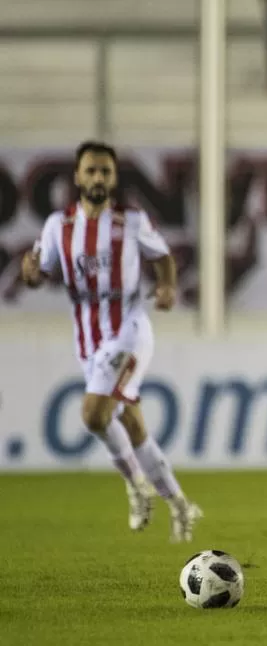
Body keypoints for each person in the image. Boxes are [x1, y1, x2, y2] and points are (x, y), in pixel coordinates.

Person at [20, 141, 202, 542]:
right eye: (91, 170)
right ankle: (181, 506)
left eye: (105, 171)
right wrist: (29, 271)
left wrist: (168, 287)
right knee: (132, 425)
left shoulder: (131, 221)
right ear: (77, 176)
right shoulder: (58, 226)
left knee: (92, 415)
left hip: (130, 331)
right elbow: (38, 272)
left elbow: (164, 257)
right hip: (88, 340)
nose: (98, 177)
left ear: (114, 177)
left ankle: (137, 487)